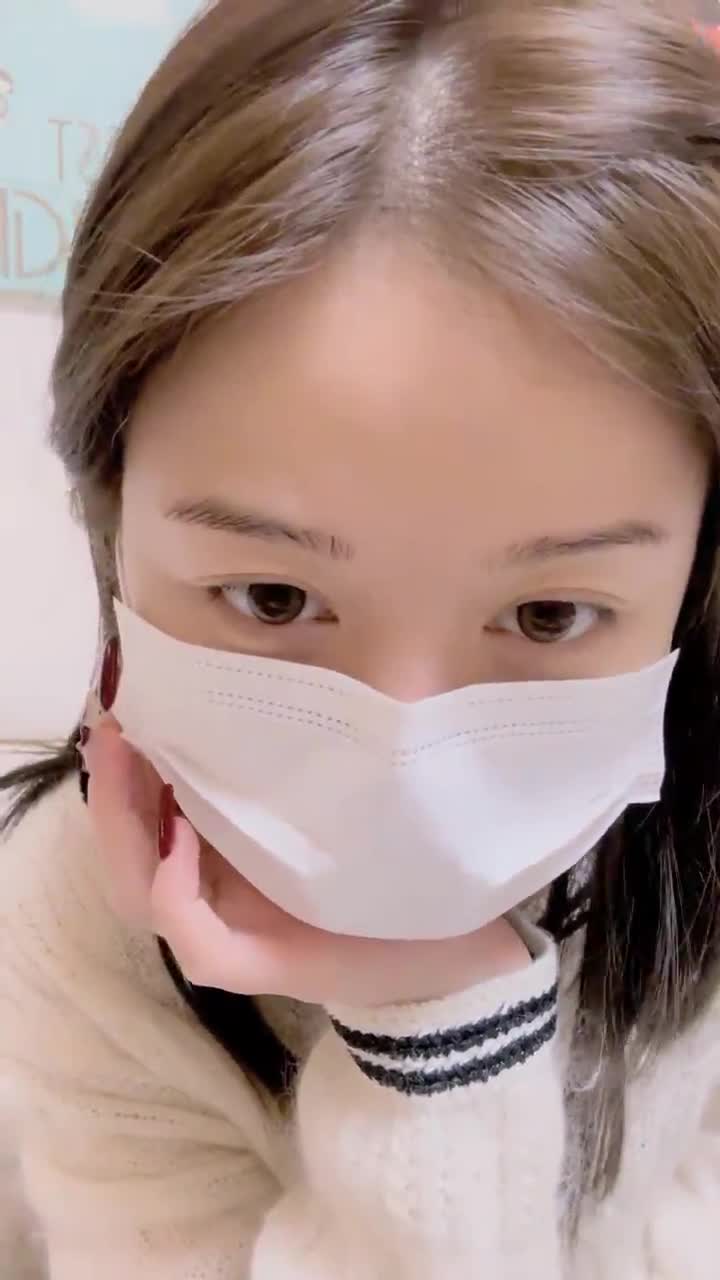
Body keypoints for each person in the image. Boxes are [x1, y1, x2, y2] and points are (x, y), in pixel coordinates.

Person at [1, 1, 720, 1275]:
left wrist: (445, 992)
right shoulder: (76, 923)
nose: (408, 772)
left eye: (549, 614)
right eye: (273, 598)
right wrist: (433, 1026)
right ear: (110, 517)